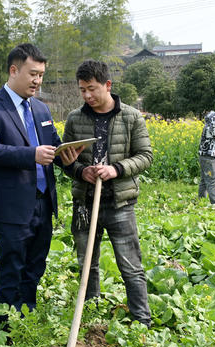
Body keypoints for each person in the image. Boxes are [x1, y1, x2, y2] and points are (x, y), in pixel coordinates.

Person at [0, 44, 81, 320]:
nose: (38, 81)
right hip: (11, 203)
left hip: (43, 201)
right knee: (12, 263)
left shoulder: (42, 109)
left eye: (42, 75)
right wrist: (30, 155)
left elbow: (52, 146)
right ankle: (5, 321)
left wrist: (66, 156)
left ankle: (27, 311)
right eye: (33, 74)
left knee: (36, 261)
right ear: (14, 70)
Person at [63, 60, 152, 327]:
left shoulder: (131, 116)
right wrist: (80, 171)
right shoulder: (75, 118)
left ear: (107, 85)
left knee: (131, 267)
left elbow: (145, 156)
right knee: (87, 264)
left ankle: (142, 322)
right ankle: (91, 317)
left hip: (120, 204)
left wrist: (117, 169)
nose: (87, 95)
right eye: (82, 90)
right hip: (85, 204)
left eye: (92, 89)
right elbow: (65, 159)